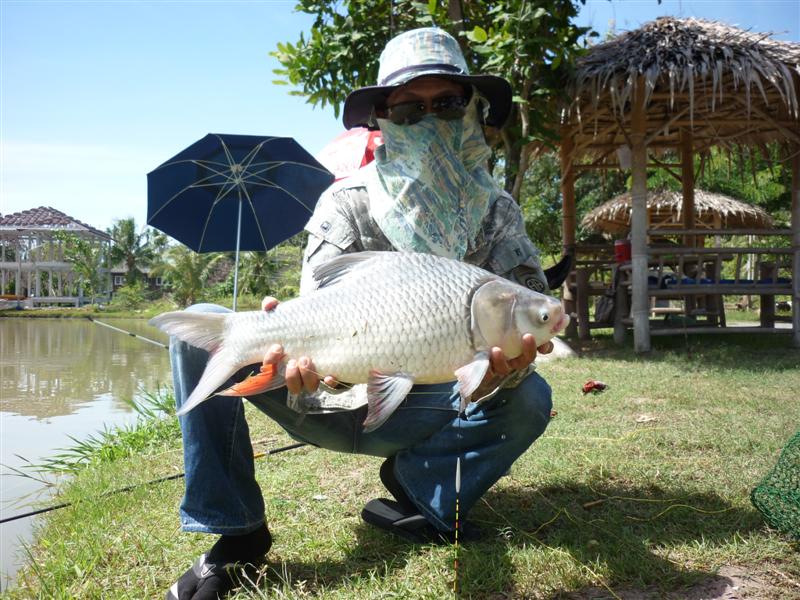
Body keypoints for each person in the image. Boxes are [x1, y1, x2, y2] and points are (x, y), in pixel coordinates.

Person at [166, 27, 555, 600]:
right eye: (408, 107)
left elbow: (529, 326)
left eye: (446, 103)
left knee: (531, 397)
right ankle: (237, 531)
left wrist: (507, 371)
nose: (430, 120)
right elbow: (316, 315)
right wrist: (297, 366)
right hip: (329, 395)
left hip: (431, 400)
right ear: (383, 118)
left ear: (470, 111)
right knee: (197, 332)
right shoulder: (344, 202)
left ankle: (420, 489)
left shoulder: (499, 213)